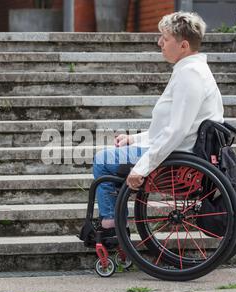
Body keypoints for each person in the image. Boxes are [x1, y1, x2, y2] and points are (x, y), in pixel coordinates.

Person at [92, 11, 225, 231]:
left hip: (178, 160)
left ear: (183, 45)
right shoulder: (193, 70)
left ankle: (112, 226)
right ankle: (114, 222)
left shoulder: (190, 75)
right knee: (111, 156)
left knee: (102, 160)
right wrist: (134, 139)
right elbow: (174, 127)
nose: (159, 42)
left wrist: (142, 167)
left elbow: (177, 131)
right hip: (181, 152)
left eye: (165, 37)